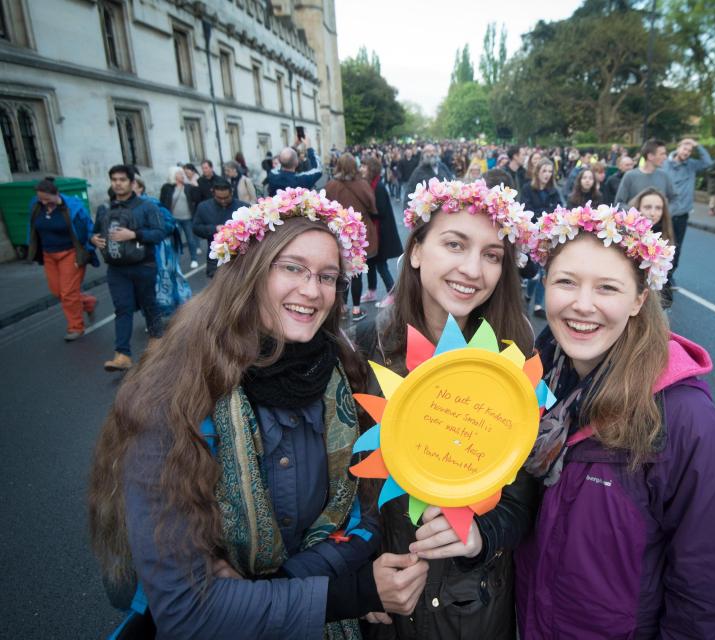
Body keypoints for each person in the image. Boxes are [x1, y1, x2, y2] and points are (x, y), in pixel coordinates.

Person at [88, 188, 430, 637]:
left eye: (328, 277)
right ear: (249, 271)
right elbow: (186, 609)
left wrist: (280, 584)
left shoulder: (343, 372)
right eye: (292, 268)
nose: (312, 291)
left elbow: (365, 511)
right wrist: (350, 594)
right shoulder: (172, 395)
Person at [517, 202, 715, 638]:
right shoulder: (533, 380)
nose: (582, 305)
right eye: (566, 281)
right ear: (544, 286)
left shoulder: (689, 424)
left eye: (607, 288)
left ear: (640, 299)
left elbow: (708, 592)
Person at [356, 177, 538, 640]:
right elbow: (338, 487)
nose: (472, 270)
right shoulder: (363, 352)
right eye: (455, 244)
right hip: (385, 608)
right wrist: (357, 577)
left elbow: (524, 497)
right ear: (415, 251)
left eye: (492, 255)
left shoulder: (514, 358)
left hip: (473, 608)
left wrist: (482, 537)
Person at [91, 164, 165, 371]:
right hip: (116, 269)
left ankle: (158, 345)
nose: (118, 183)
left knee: (149, 304)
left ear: (132, 183)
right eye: (114, 180)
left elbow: (160, 232)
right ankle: (122, 354)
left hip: (144, 265)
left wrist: (134, 235)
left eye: (122, 180)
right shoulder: (105, 208)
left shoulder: (147, 207)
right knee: (122, 308)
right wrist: (93, 239)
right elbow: (96, 232)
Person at [26, 178, 99, 341]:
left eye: (47, 198)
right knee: (57, 291)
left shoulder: (72, 208)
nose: (44, 202)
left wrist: (85, 252)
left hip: (70, 253)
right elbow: (31, 227)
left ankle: (76, 327)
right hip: (49, 254)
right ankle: (88, 302)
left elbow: (88, 230)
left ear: (56, 194)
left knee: (68, 293)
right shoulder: (36, 206)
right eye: (40, 199)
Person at [324, 153, 378, 322]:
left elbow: (325, 209)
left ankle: (341, 307)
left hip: (338, 233)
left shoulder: (331, 185)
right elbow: (372, 206)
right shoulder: (363, 184)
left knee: (341, 272)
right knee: (356, 273)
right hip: (359, 234)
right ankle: (356, 310)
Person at [132, 175, 192, 319]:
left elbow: (169, 222)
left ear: (140, 187)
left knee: (167, 277)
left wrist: (151, 233)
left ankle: (176, 309)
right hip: (139, 250)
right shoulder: (123, 206)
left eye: (133, 184)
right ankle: (153, 313)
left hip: (160, 249)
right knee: (145, 283)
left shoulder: (151, 203)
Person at [663, 138, 713, 282]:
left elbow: (708, 163)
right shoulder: (665, 164)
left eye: (689, 151)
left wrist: (698, 146)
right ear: (678, 148)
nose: (686, 152)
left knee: (677, 247)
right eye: (684, 149)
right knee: (662, 244)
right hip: (665, 213)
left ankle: (670, 275)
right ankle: (657, 273)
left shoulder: (691, 165)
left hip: (682, 213)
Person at [520, 159, 563, 319]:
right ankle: (529, 295)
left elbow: (558, 210)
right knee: (534, 271)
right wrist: (545, 215)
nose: (547, 174)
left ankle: (538, 304)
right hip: (533, 235)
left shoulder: (554, 191)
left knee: (544, 270)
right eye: (544, 171)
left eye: (550, 171)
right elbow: (527, 210)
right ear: (537, 172)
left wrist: (548, 217)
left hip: (549, 236)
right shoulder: (527, 189)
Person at [358, 156, 402, 309]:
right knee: (370, 262)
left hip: (381, 233)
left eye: (364, 166)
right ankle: (372, 291)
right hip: (373, 232)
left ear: (372, 169)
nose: (361, 168)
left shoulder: (379, 186)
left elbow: (380, 211)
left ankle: (392, 293)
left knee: (381, 265)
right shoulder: (370, 184)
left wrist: (364, 210)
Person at [628, 187, 675, 307]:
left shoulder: (665, 236)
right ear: (637, 209)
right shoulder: (627, 234)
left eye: (658, 208)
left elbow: (666, 275)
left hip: (653, 300)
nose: (653, 213)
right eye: (647, 207)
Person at [193, 178, 249, 278]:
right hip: (215, 259)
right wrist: (214, 229)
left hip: (240, 259)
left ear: (231, 192)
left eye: (226, 198)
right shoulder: (203, 207)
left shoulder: (243, 207)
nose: (223, 201)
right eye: (219, 198)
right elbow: (196, 228)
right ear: (213, 193)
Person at [613, 139, 677, 210]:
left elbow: (674, 200)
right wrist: (637, 214)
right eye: (662, 154)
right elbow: (619, 203)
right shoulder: (630, 176)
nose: (665, 157)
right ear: (650, 156)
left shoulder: (665, 176)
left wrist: (664, 213)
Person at [159, 166, 199, 269]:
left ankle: (194, 259)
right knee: (174, 241)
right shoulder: (167, 188)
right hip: (174, 219)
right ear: (174, 175)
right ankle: (174, 261)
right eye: (180, 173)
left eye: (182, 173)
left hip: (187, 218)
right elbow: (162, 202)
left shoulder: (188, 187)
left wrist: (195, 186)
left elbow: (197, 198)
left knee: (190, 239)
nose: (182, 175)